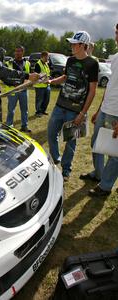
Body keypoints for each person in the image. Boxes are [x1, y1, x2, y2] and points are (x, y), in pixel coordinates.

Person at [47, 31, 99, 181]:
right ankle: (56, 159)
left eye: (74, 44)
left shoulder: (92, 64)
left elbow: (93, 90)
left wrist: (82, 113)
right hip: (60, 106)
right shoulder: (70, 60)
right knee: (51, 134)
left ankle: (66, 171)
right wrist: (51, 81)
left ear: (83, 45)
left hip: (75, 111)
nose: (71, 46)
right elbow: (65, 77)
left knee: (70, 142)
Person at [80, 24, 118, 196]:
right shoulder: (116, 57)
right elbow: (110, 86)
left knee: (114, 152)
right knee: (96, 144)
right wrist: (98, 110)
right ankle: (99, 174)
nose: (116, 36)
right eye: (116, 32)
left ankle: (105, 186)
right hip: (105, 109)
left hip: (116, 114)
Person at [5, 46, 31, 132]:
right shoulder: (9, 63)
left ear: (23, 52)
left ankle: (24, 126)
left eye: (19, 51)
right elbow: (5, 77)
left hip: (24, 90)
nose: (17, 53)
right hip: (13, 90)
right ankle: (9, 126)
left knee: (25, 110)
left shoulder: (27, 63)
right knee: (11, 110)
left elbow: (30, 75)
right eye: (16, 51)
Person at [34, 51, 51, 117]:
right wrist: (44, 79)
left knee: (46, 99)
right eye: (47, 56)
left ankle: (43, 111)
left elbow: (48, 73)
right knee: (39, 100)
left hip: (47, 85)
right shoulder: (38, 64)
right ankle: (38, 112)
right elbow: (36, 76)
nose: (48, 58)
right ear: (43, 56)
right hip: (39, 86)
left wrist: (49, 78)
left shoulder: (46, 63)